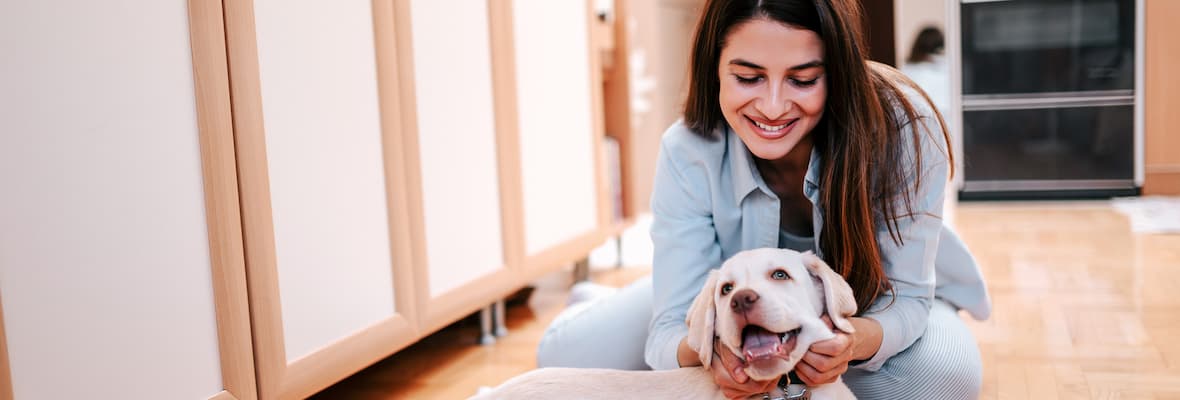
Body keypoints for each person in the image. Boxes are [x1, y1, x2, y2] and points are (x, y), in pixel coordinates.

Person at [536, 0, 991, 398]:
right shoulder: (687, 148)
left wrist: (851, 344)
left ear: (838, 73)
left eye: (803, 80)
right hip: (730, 303)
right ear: (714, 66)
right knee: (563, 360)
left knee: (938, 383)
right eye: (748, 77)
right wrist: (718, 356)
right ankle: (605, 299)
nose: (773, 107)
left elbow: (907, 297)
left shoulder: (905, 127)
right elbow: (670, 333)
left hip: (882, 301)